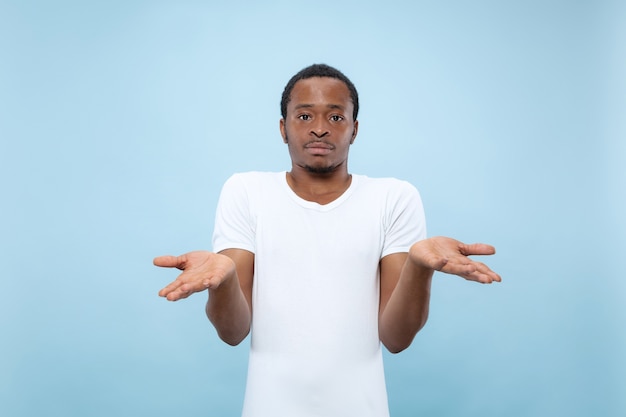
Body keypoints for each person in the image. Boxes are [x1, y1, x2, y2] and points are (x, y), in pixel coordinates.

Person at [155, 64, 501, 417]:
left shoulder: (394, 198)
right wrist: (224, 279)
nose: (319, 128)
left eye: (336, 118)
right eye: (304, 116)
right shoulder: (246, 192)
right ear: (282, 128)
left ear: (354, 130)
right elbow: (233, 331)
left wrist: (419, 267)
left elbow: (396, 339)